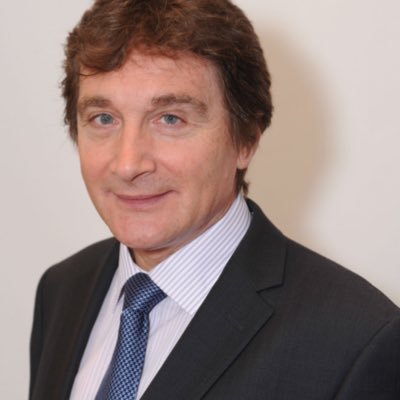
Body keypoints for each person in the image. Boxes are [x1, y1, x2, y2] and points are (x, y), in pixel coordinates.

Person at [29, 0, 400, 399]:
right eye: (104, 118)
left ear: (246, 139)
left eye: (170, 118)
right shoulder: (63, 290)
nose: (127, 163)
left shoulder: (358, 340)